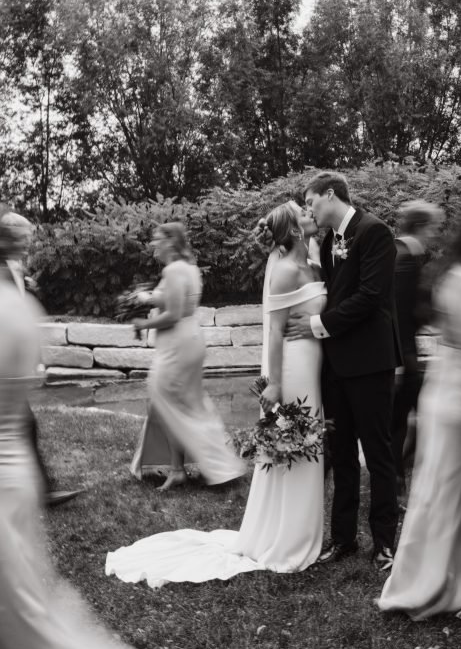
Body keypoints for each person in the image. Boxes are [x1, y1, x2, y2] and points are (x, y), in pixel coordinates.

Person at [0, 223, 196, 649]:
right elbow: (31, 380)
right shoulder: (22, 306)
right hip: (16, 467)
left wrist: (146, 314)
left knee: (19, 615)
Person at [106, 202, 326, 585]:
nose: (311, 212)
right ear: (292, 230)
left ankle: (297, 527)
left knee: (306, 446)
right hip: (291, 367)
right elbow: (274, 331)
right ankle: (283, 534)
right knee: (290, 445)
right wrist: (274, 382)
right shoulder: (285, 270)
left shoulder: (314, 260)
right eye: (303, 211)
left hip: (311, 366)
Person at [378, 200, 461, 621]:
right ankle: (458, 581)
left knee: (446, 493)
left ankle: (436, 575)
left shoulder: (451, 276)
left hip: (446, 393)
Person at [285, 172, 399, 571]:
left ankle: (385, 543)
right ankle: (344, 538)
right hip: (336, 365)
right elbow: (327, 289)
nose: (309, 208)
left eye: (311, 201)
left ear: (330, 195)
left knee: (379, 453)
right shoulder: (330, 240)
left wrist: (317, 327)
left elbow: (370, 296)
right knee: (343, 453)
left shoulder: (375, 232)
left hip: (370, 363)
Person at [129, 221, 244, 490]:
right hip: (188, 340)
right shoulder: (188, 269)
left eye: (157, 240)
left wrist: (142, 324)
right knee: (184, 404)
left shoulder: (174, 270)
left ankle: (211, 465)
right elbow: (173, 301)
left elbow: (174, 313)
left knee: (168, 399)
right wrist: (146, 298)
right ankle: (180, 468)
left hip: (177, 344)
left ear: (171, 241)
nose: (153, 245)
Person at [0, 208, 83, 507]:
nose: (27, 244)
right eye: (22, 238)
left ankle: (40, 490)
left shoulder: (14, 269)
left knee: (24, 425)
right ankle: (42, 492)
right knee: (23, 424)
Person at [391, 200, 444, 504]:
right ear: (422, 227)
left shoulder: (408, 255)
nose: (436, 234)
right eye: (434, 227)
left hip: (407, 353)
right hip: (402, 355)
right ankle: (395, 484)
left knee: (411, 419)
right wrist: (398, 363)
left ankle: (399, 478)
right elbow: (398, 313)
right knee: (399, 424)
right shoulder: (405, 260)